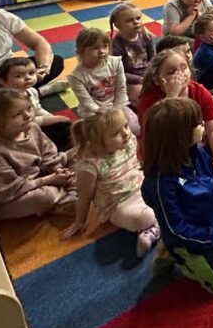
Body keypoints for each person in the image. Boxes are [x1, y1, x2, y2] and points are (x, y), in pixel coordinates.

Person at [140, 97, 213, 294]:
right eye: (196, 123)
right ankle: (180, 259)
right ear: (177, 135)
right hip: (191, 239)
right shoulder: (161, 181)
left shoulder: (197, 152)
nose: (202, 124)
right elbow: (176, 229)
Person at [61, 108, 160, 259]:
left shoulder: (129, 141)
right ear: (99, 142)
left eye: (126, 126)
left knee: (172, 190)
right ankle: (155, 227)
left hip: (141, 188)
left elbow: (137, 166)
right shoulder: (90, 166)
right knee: (147, 216)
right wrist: (79, 221)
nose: (126, 133)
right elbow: (85, 196)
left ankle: (152, 231)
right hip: (117, 205)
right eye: (116, 133)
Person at [138, 49, 213, 178]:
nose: (180, 74)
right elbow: (159, 136)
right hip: (168, 149)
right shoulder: (149, 99)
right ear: (157, 80)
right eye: (171, 72)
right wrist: (172, 95)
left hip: (196, 140)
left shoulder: (197, 90)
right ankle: (200, 176)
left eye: (184, 68)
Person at [0, 87, 77, 219]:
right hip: (8, 197)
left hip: (37, 176)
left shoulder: (32, 128)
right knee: (43, 197)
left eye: (29, 108)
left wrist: (58, 170)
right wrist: (50, 179)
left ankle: (68, 192)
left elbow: (48, 153)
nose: (28, 116)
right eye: (17, 114)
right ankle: (64, 195)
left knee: (81, 152)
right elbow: (6, 192)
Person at [69, 28, 139, 136]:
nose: (102, 51)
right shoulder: (76, 76)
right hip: (94, 111)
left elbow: (121, 89)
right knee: (101, 136)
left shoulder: (115, 62)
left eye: (105, 46)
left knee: (135, 129)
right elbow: (87, 102)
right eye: (95, 48)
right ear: (81, 51)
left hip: (116, 106)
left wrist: (117, 111)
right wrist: (104, 115)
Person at [154, 34, 213, 117]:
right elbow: (162, 123)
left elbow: (195, 90)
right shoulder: (154, 93)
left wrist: (209, 100)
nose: (188, 56)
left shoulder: (191, 78)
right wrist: (172, 95)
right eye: (182, 53)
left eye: (188, 51)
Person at [0, 56, 72, 149]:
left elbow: (37, 109)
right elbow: (20, 122)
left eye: (31, 73)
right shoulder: (8, 100)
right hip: (18, 132)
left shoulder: (32, 91)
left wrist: (50, 117)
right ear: (3, 81)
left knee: (63, 125)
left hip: (33, 123)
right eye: (18, 76)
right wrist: (46, 120)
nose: (28, 78)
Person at [109, 2, 155, 105]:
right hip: (129, 79)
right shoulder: (117, 44)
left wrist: (152, 73)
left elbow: (153, 58)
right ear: (118, 25)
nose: (136, 22)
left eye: (138, 18)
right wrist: (140, 79)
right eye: (130, 20)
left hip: (148, 73)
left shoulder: (146, 35)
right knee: (140, 96)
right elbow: (118, 72)